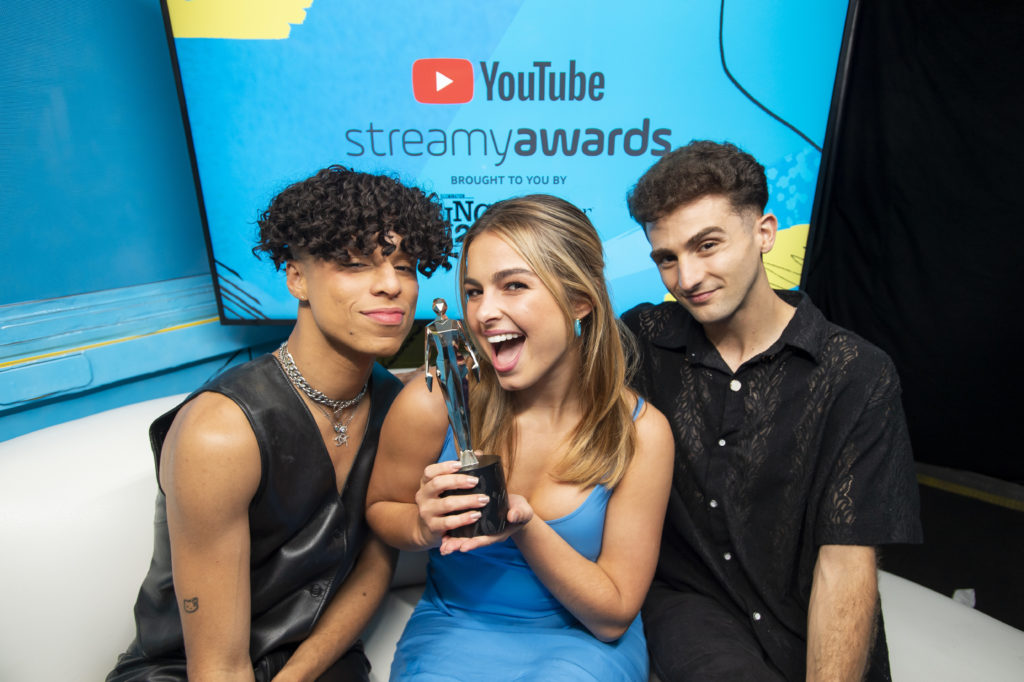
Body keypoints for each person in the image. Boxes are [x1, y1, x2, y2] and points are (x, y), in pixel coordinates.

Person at [107, 165, 453, 682]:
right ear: (297, 277)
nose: (391, 286)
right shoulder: (221, 431)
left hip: (317, 660)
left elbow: (374, 567)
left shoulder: (395, 405)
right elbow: (217, 667)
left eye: (405, 266)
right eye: (357, 264)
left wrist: (297, 674)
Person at [622, 140, 923, 681]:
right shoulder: (644, 338)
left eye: (707, 245)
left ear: (764, 233)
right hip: (691, 606)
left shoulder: (857, 373)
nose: (686, 278)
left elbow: (846, 562)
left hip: (807, 617)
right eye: (667, 258)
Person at [365, 194, 674, 681]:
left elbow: (613, 616)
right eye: (473, 291)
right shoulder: (433, 403)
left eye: (513, 285)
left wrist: (524, 526)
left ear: (579, 299)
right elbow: (381, 507)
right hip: (455, 628)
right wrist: (423, 527)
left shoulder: (640, 433)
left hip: (579, 642)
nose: (484, 312)